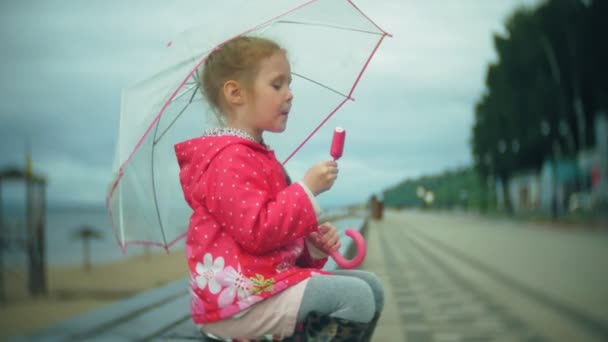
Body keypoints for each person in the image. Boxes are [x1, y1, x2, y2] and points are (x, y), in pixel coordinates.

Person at [174, 36, 384, 341]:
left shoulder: (257, 156)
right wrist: (307, 191)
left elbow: (276, 244)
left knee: (371, 288)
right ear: (236, 93)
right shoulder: (227, 160)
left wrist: (310, 247)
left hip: (263, 287)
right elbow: (257, 232)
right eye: (277, 85)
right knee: (357, 298)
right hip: (235, 305)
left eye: (289, 84)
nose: (290, 94)